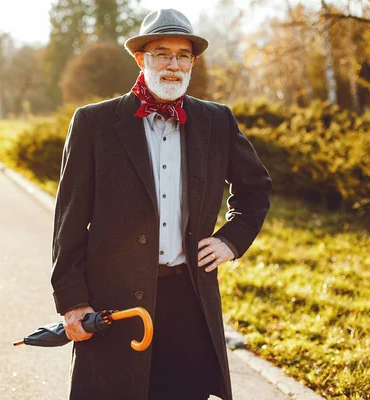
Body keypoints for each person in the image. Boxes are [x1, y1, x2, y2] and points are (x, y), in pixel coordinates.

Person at [51, 8, 272, 400]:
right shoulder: (94, 123)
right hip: (113, 304)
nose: (173, 65)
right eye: (162, 53)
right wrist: (73, 303)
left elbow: (255, 188)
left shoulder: (215, 121)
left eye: (182, 55)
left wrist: (230, 241)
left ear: (192, 62)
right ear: (141, 59)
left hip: (189, 299)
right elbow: (68, 223)